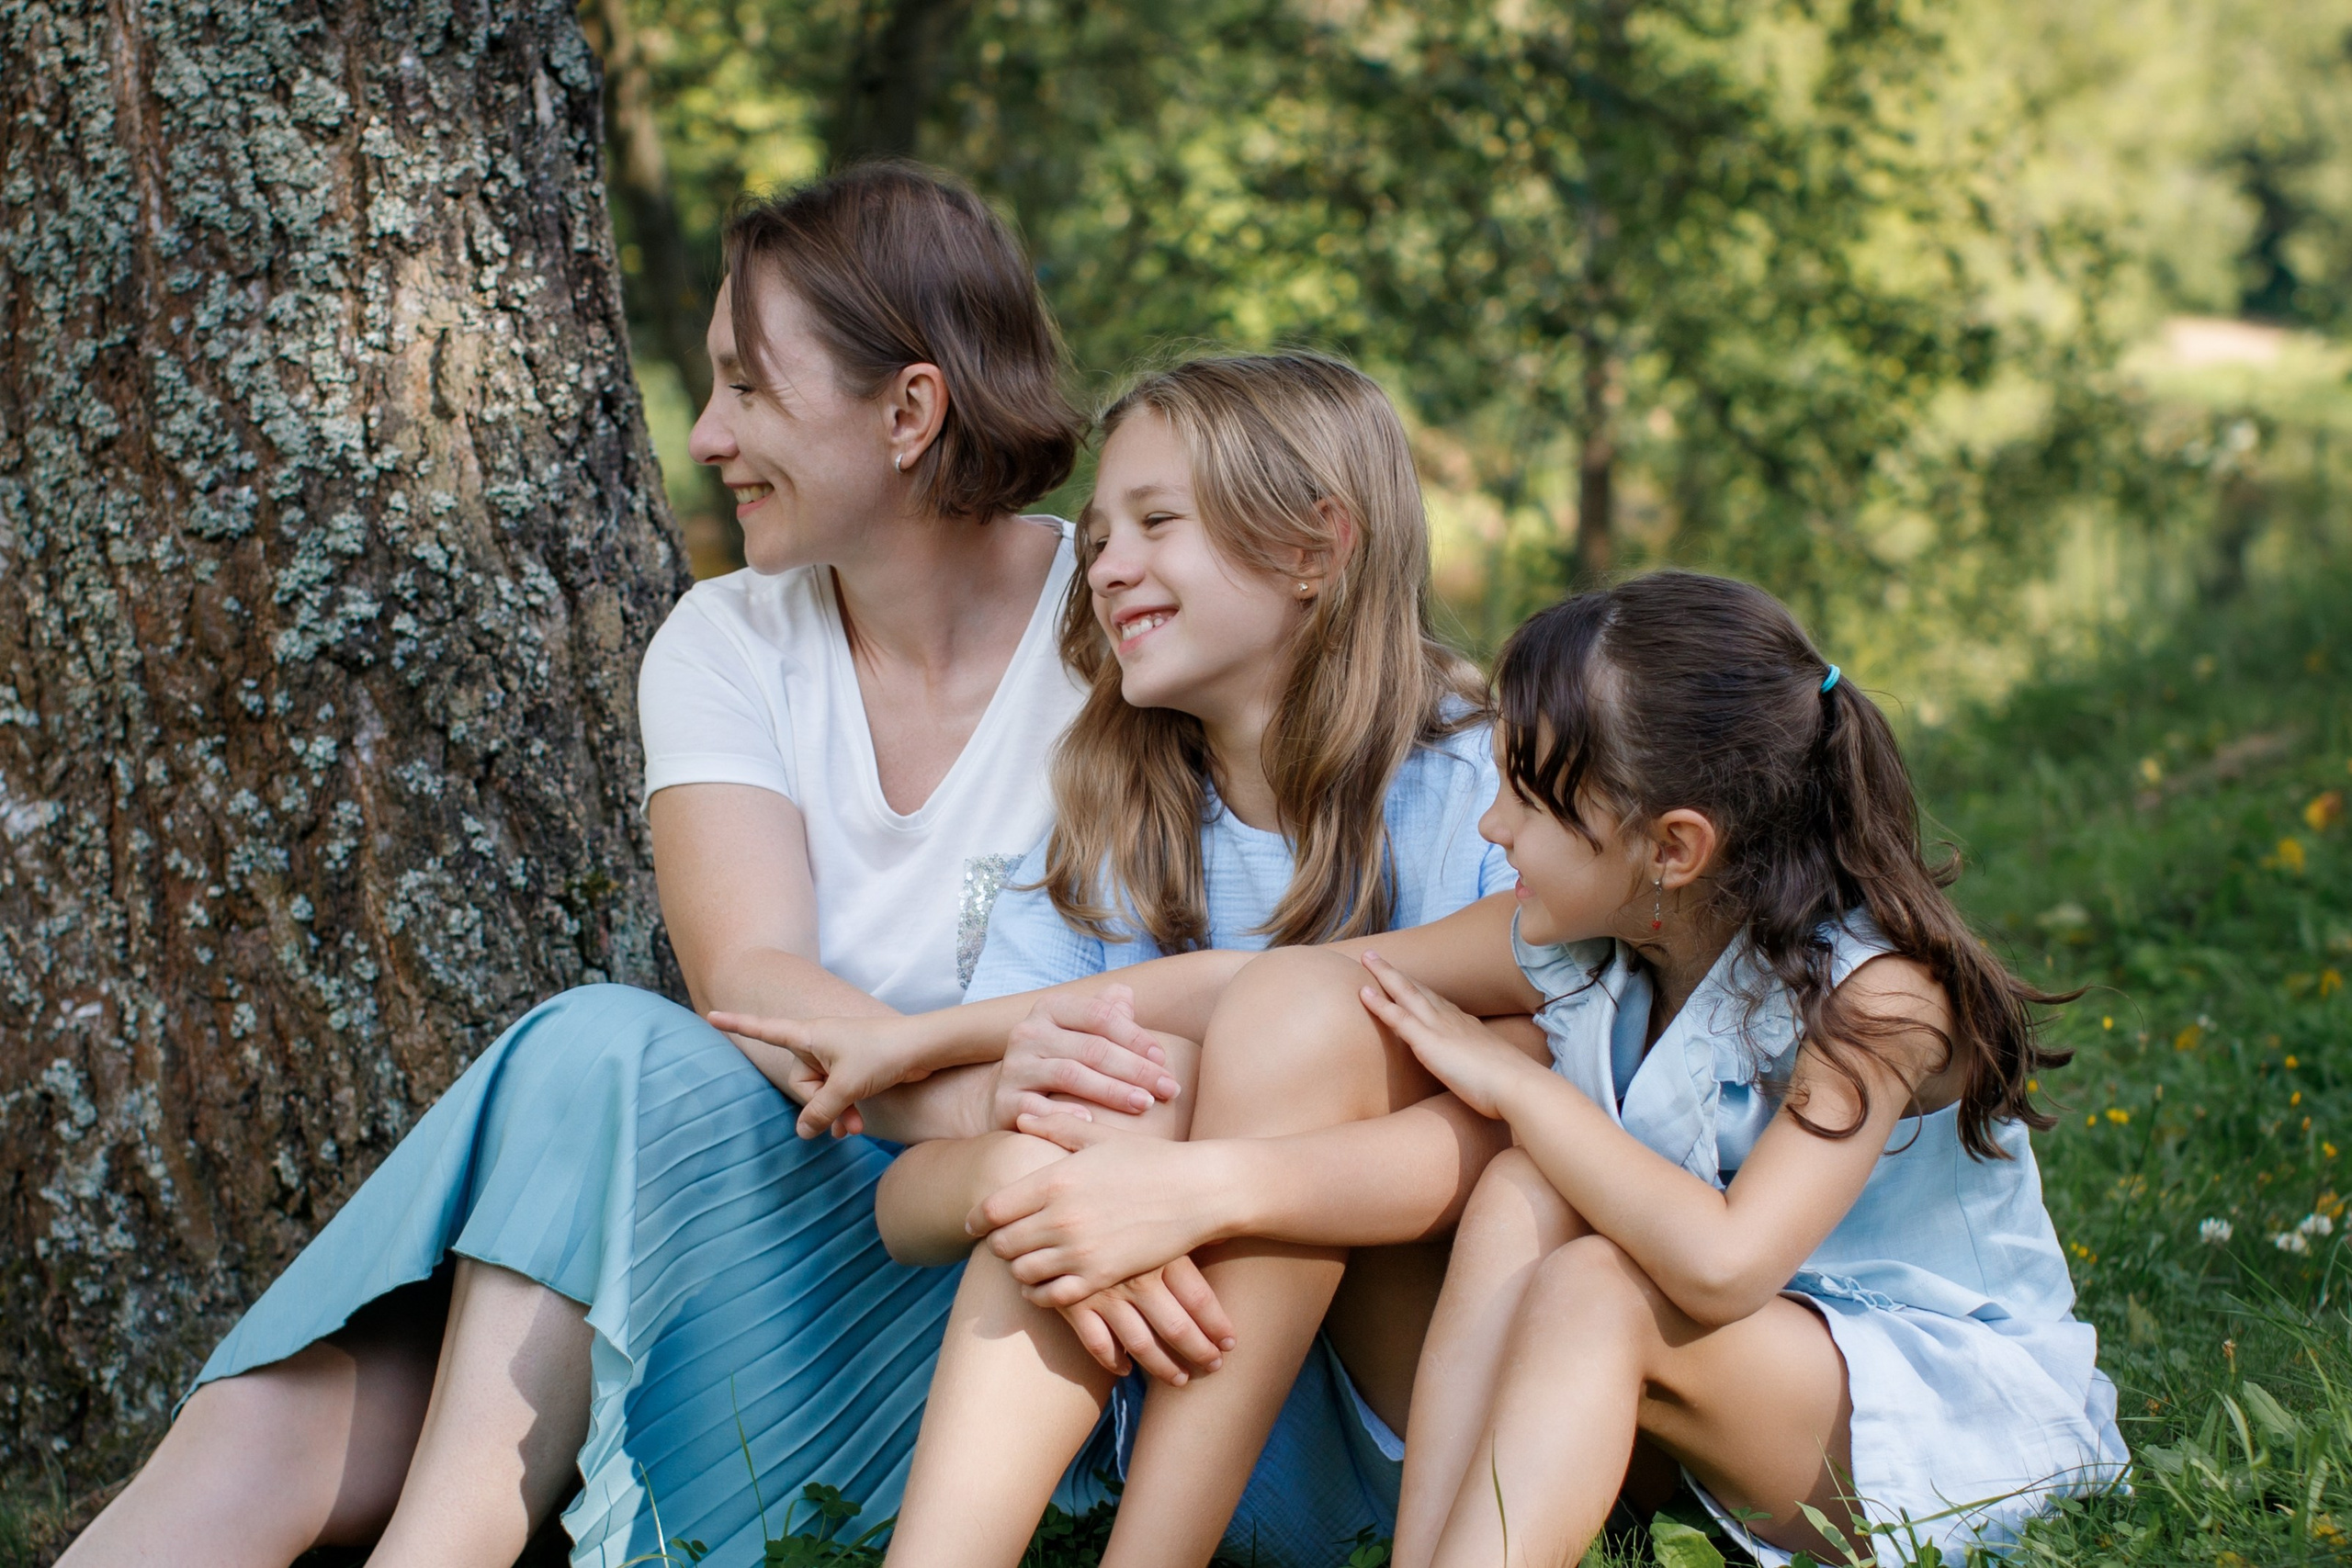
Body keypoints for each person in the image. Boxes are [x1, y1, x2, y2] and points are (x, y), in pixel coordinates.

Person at [60, 163, 1178, 1568]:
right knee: (566, 1097)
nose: (704, 436)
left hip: (998, 1277)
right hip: (768, 1202)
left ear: (909, 410)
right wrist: (968, 1079)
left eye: (749, 389)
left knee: (586, 1074)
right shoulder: (725, 641)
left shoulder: (1131, 615)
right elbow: (754, 982)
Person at [729, 355, 1540, 1568]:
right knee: (1125, 1077)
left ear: (1317, 547)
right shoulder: (1115, 824)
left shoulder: (1486, 791)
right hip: (1180, 1388)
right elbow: (908, 1201)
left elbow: (1543, 1133)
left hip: (1428, 1411)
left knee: (1291, 1022)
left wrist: (1209, 1181)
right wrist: (1046, 1175)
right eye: (1100, 532)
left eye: (1157, 522)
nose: (1104, 565)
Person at [1321, 572, 2129, 1566]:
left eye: (1527, 798)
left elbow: (1724, 1265)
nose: (1492, 828)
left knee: (1594, 1283)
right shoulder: (1595, 948)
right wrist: (1075, 1023)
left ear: (1673, 848)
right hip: (1737, 1389)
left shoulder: (1878, 1000)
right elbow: (1300, 980)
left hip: (1930, 1411)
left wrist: (1516, 1085)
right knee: (1522, 1189)